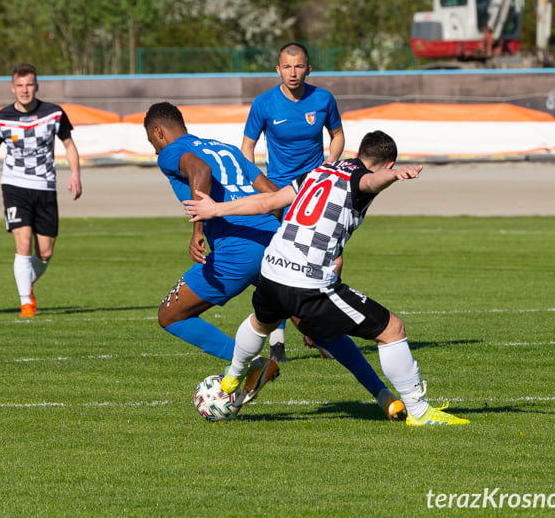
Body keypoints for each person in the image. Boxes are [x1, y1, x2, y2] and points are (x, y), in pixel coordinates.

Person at [184, 130, 469, 426]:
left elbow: (268, 202)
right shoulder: (363, 178)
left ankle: (232, 378)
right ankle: (420, 413)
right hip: (307, 282)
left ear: (359, 152)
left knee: (261, 322)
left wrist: (216, 209)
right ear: (388, 162)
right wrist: (394, 176)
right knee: (392, 329)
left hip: (271, 268)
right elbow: (369, 181)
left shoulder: (320, 170)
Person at [145, 102, 405, 419]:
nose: (154, 146)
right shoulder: (225, 147)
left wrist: (198, 229)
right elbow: (270, 191)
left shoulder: (170, 151)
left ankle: (255, 365)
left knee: (170, 316)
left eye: (151, 140)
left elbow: (200, 171)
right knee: (314, 326)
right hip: (276, 244)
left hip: (237, 249)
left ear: (158, 132)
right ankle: (384, 396)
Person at [242, 42, 346, 363]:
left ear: (309, 68)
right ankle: (277, 339)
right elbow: (246, 149)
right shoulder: (264, 104)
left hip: (316, 194)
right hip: (281, 196)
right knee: (281, 263)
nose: (293, 72)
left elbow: (338, 135)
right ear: (278, 70)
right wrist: (262, 189)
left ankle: (317, 332)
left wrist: (331, 162)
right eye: (287, 66)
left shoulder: (323, 99)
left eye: (298, 66)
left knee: (328, 261)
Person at [0, 63, 82, 317]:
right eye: (20, 85)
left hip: (45, 187)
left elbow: (69, 145)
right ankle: (26, 302)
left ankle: (25, 281)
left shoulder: (54, 113)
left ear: (36, 86)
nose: (25, 90)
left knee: (45, 252)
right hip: (14, 186)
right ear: (13, 88)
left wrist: (76, 175)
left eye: (29, 85)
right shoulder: (0, 118)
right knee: (23, 243)